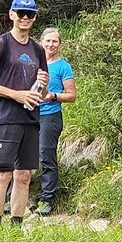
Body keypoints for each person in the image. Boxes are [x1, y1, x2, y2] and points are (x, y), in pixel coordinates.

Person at [0, 0, 49, 224]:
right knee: (4, 171)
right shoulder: (1, 43)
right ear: (11, 15)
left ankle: (16, 224)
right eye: (20, 13)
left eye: (30, 14)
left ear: (35, 18)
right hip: (6, 117)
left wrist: (43, 86)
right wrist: (15, 94)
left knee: (25, 175)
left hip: (30, 117)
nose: (25, 18)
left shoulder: (38, 50)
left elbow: (43, 95)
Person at [35, 27, 76, 215]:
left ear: (59, 44)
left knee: (46, 155)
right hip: (28, 114)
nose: (51, 44)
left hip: (50, 115)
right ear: (41, 42)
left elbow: (71, 95)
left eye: (55, 41)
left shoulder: (63, 66)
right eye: (48, 41)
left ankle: (47, 198)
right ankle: (13, 197)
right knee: (21, 155)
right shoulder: (33, 62)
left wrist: (53, 96)